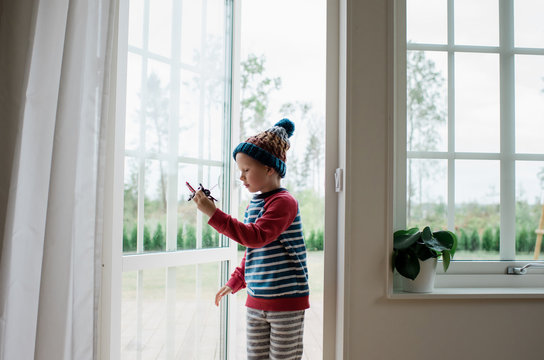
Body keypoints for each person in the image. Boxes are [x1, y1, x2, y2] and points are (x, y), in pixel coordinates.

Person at [191, 118, 309, 360]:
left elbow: (254, 238)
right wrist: (236, 281)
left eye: (246, 170)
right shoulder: (255, 203)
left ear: (269, 168)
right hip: (256, 301)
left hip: (285, 303)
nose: (242, 177)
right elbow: (254, 252)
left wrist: (214, 214)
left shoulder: (284, 202)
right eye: (240, 171)